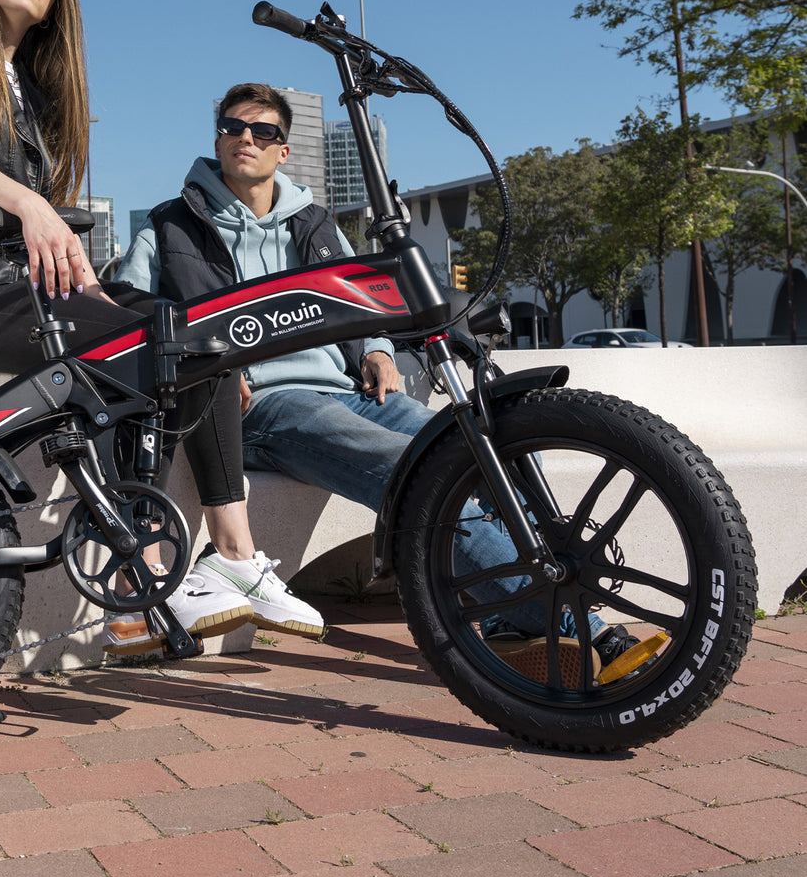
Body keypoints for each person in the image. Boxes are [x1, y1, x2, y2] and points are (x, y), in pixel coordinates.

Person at [117, 82, 639, 682]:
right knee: (419, 471)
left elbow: (364, 299)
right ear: (217, 137)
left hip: (351, 390)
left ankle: (506, 619)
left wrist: (380, 351)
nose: (246, 140)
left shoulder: (313, 224)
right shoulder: (171, 225)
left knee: (474, 448)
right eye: (234, 127)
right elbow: (130, 307)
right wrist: (208, 365)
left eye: (263, 132)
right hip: (265, 405)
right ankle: (579, 624)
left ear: (283, 151)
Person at [0, 0, 262, 652]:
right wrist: (30, 206)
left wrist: (76, 265)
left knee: (190, 329)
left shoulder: (27, 87)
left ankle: (236, 560)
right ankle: (136, 583)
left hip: (27, 290)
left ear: (61, 1)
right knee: (132, 342)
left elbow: (43, 235)